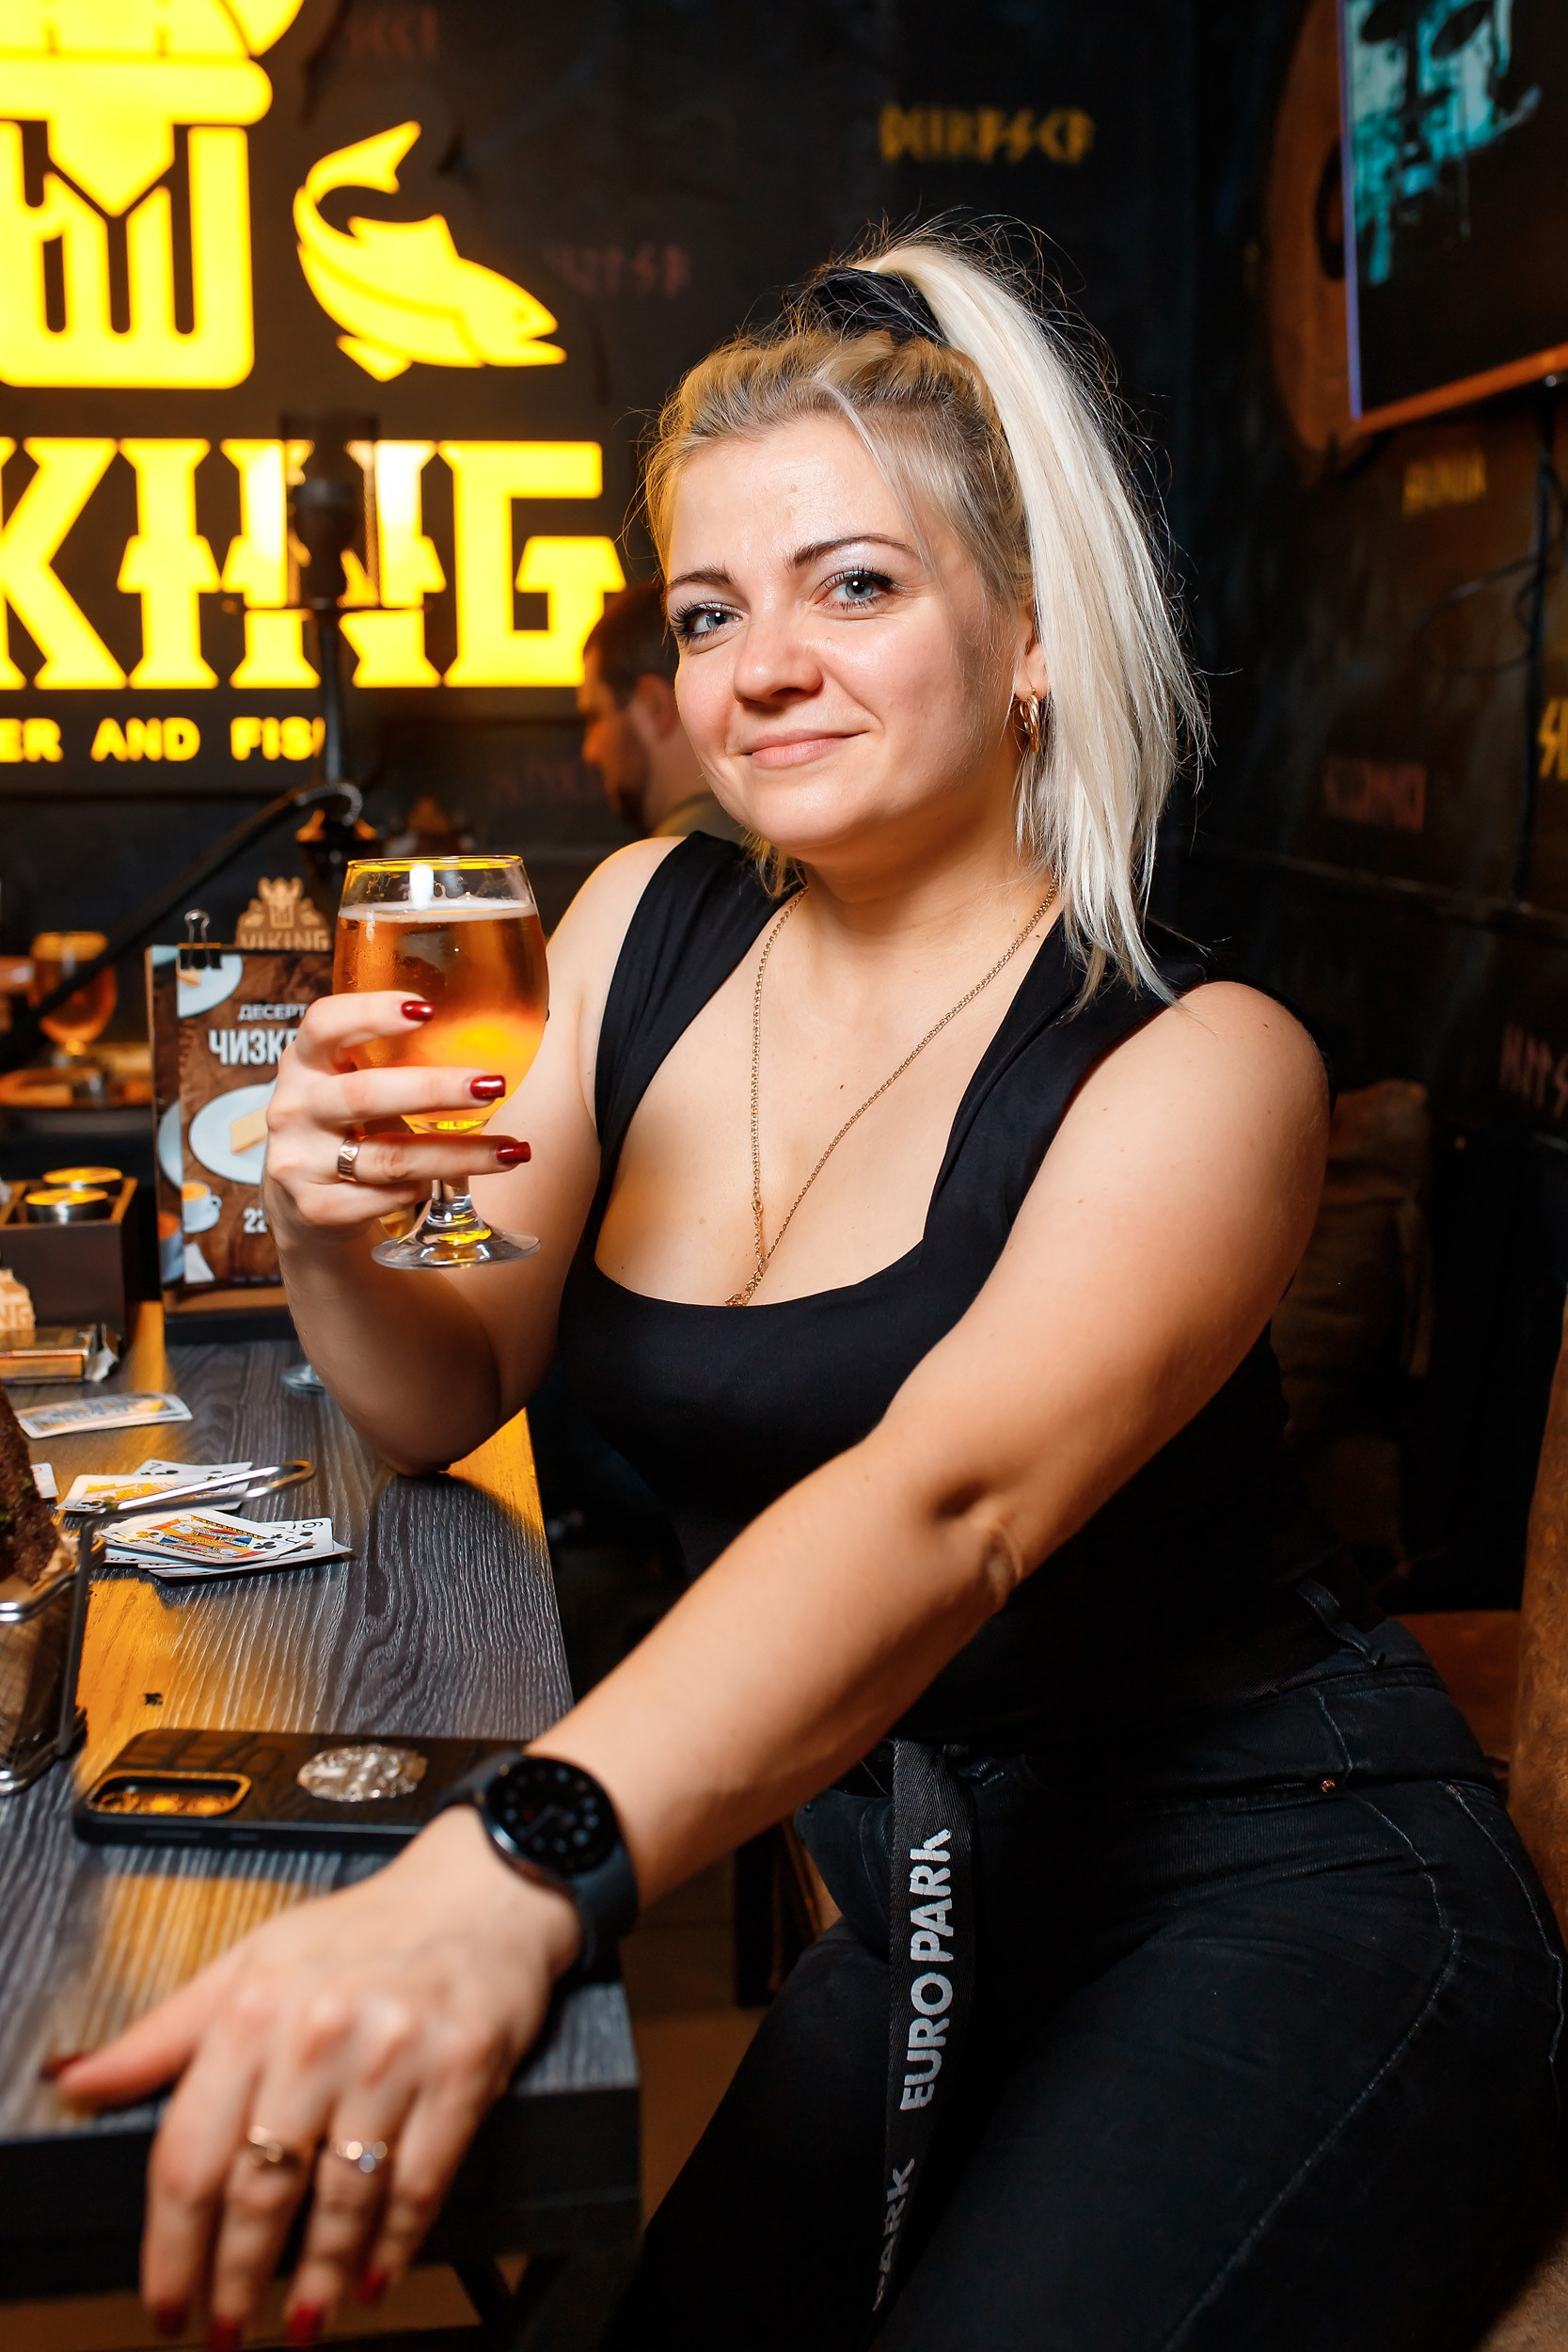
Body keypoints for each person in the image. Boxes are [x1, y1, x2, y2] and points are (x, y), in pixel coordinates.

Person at [60, 233, 1563, 2352]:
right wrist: (327, 1229)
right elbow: (441, 1383)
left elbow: (944, 1506)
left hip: (1283, 1883)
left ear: (1030, 638)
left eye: (850, 585)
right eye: (706, 612)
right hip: (924, 1894)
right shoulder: (635, 926)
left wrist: (517, 1856)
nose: (758, 665)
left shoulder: (1197, 1065)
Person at [578, 577, 746, 841]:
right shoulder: (777, 841)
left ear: (654, 706)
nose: (590, 751)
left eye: (595, 717)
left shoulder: (678, 859)